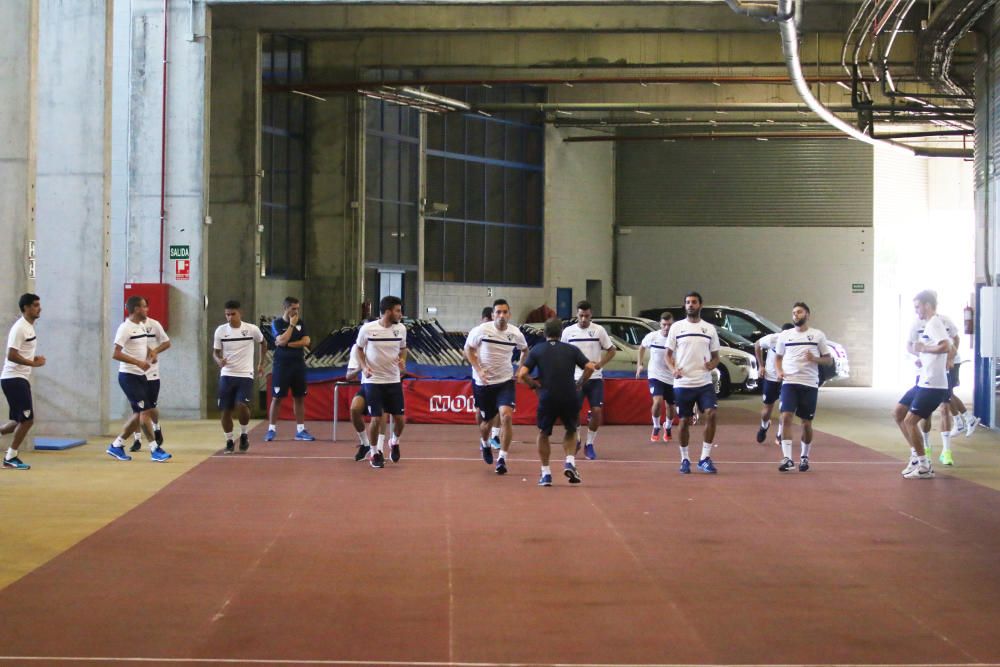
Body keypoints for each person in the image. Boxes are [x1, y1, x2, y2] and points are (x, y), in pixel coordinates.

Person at [518, 318, 596, 486]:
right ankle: (569, 461)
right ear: (561, 333)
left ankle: (546, 473)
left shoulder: (537, 350)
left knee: (544, 433)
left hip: (548, 396)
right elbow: (590, 367)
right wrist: (580, 383)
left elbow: (522, 374)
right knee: (571, 429)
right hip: (569, 395)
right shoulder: (571, 349)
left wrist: (534, 386)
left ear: (544, 333)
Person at [465, 298, 528, 474]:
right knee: (486, 423)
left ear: (509, 314)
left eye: (504, 312)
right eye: (498, 312)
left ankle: (502, 458)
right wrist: (478, 369)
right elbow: (468, 350)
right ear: (493, 315)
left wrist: (520, 369)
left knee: (506, 416)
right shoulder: (482, 330)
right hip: (484, 383)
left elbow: (525, 350)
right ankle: (484, 443)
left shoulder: (515, 333)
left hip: (505, 381)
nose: (501, 316)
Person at [107, 296, 171, 462]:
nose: (147, 309)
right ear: (136, 309)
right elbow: (116, 353)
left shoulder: (142, 326)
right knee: (144, 412)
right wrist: (138, 362)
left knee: (139, 413)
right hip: (129, 376)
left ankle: (117, 445)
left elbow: (142, 345)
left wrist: (151, 352)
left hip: (140, 375)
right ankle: (155, 449)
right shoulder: (125, 328)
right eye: (144, 307)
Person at [898, 290, 953, 480]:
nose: (916, 311)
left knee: (910, 421)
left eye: (917, 307)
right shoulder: (928, 324)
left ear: (927, 305)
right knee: (898, 413)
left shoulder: (935, 323)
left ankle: (924, 465)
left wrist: (925, 348)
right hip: (923, 381)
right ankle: (916, 457)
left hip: (933, 385)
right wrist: (922, 356)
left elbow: (946, 346)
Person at [665, 291, 721, 474]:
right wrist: (673, 369)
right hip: (683, 383)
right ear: (685, 305)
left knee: (711, 414)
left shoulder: (709, 329)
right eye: (688, 302)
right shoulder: (676, 328)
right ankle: (685, 458)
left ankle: (705, 458)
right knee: (684, 421)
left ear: (700, 305)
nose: (690, 305)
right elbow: (668, 355)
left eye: (694, 302)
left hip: (704, 382)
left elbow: (716, 357)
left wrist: (711, 365)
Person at [774, 303, 832, 472]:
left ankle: (804, 457)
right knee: (785, 417)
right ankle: (787, 458)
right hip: (790, 382)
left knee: (806, 423)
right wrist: (779, 371)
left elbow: (828, 359)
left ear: (807, 314)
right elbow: (778, 357)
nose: (796, 315)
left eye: (799, 312)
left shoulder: (817, 335)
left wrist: (815, 358)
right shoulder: (785, 335)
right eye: (793, 312)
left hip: (809, 383)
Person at [355, 295, 407, 468]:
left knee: (400, 419)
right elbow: (359, 349)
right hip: (373, 381)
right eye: (398, 311)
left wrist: (402, 360)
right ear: (387, 312)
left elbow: (403, 349)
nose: (401, 314)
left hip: (393, 379)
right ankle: (374, 452)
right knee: (376, 419)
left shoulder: (401, 329)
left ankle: (394, 441)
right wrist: (363, 367)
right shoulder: (368, 329)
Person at [561, 300, 615, 459]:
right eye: (581, 316)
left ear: (591, 315)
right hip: (575, 378)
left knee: (597, 411)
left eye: (587, 316)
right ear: (576, 315)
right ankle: (577, 438)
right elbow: (563, 353)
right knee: (574, 411)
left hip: (595, 378)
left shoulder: (599, 330)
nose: (584, 319)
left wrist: (600, 364)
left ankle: (589, 443)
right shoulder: (568, 332)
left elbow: (611, 351)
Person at [213, 301, 266, 454]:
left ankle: (244, 434)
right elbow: (216, 352)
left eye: (233, 314)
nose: (230, 318)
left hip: (245, 374)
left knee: (242, 405)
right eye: (227, 315)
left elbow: (263, 343)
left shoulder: (251, 329)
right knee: (225, 410)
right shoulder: (220, 331)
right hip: (227, 374)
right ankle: (229, 440)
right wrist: (219, 360)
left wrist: (261, 363)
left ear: (240, 313)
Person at [1, 293, 46, 470]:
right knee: (27, 420)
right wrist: (33, 363)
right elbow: (11, 355)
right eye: (35, 305)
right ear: (26, 308)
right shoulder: (20, 328)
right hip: (14, 379)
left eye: (38, 305)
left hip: (18, 379)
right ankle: (10, 457)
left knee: (16, 422)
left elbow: (20, 352)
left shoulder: (29, 327)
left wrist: (32, 358)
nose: (39, 308)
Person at [266, 297, 315, 442]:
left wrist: (288, 344)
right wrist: (291, 326)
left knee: (299, 397)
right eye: (293, 308)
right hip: (282, 365)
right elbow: (280, 340)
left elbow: (306, 341)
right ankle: (271, 429)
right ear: (286, 308)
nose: (296, 311)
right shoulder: (276, 323)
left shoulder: (301, 322)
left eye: (297, 309)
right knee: (277, 397)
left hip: (298, 364)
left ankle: (300, 430)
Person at [130, 311, 171, 452]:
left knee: (151, 408)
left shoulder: (154, 324)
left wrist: (154, 351)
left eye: (145, 307)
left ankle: (156, 426)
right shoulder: (128, 326)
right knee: (137, 410)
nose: (143, 310)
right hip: (135, 373)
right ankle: (137, 439)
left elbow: (166, 343)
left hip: (152, 373)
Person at [346, 342, 393, 462]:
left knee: (381, 411)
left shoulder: (383, 346)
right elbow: (348, 376)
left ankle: (380, 448)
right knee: (354, 409)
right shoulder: (357, 348)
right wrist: (360, 368)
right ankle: (365, 443)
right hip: (367, 386)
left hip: (383, 385)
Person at [637, 311, 676, 442]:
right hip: (655, 374)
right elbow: (641, 348)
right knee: (658, 401)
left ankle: (668, 427)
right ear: (660, 324)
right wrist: (640, 364)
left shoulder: (676, 340)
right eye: (664, 324)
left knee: (670, 406)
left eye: (669, 325)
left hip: (671, 376)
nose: (666, 328)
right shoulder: (652, 337)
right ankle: (656, 426)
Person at [754, 323, 795, 446]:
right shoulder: (772, 339)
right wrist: (761, 365)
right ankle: (764, 426)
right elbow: (757, 345)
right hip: (771, 378)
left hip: (786, 380)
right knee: (767, 410)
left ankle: (780, 434)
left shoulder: (795, 342)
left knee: (785, 410)